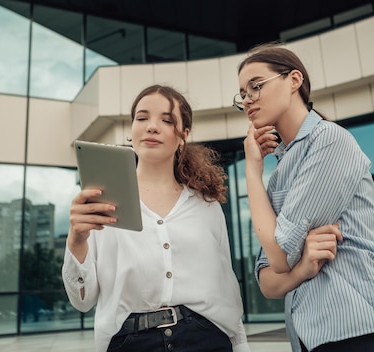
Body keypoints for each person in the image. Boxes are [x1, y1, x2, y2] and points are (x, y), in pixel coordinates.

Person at [235, 43, 374, 352]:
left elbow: (278, 255)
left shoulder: (330, 140)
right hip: (311, 335)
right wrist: (303, 267)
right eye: (242, 94)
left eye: (255, 86)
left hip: (360, 325)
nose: (248, 100)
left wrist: (253, 172)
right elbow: (267, 283)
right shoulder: (281, 171)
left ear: (294, 80)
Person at [62, 85, 250, 352]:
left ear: (184, 134)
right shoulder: (101, 201)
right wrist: (76, 239)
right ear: (131, 130)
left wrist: (241, 345)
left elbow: (225, 286)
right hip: (130, 343)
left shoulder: (205, 204)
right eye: (142, 118)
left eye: (167, 120)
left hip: (206, 339)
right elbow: (82, 300)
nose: (151, 127)